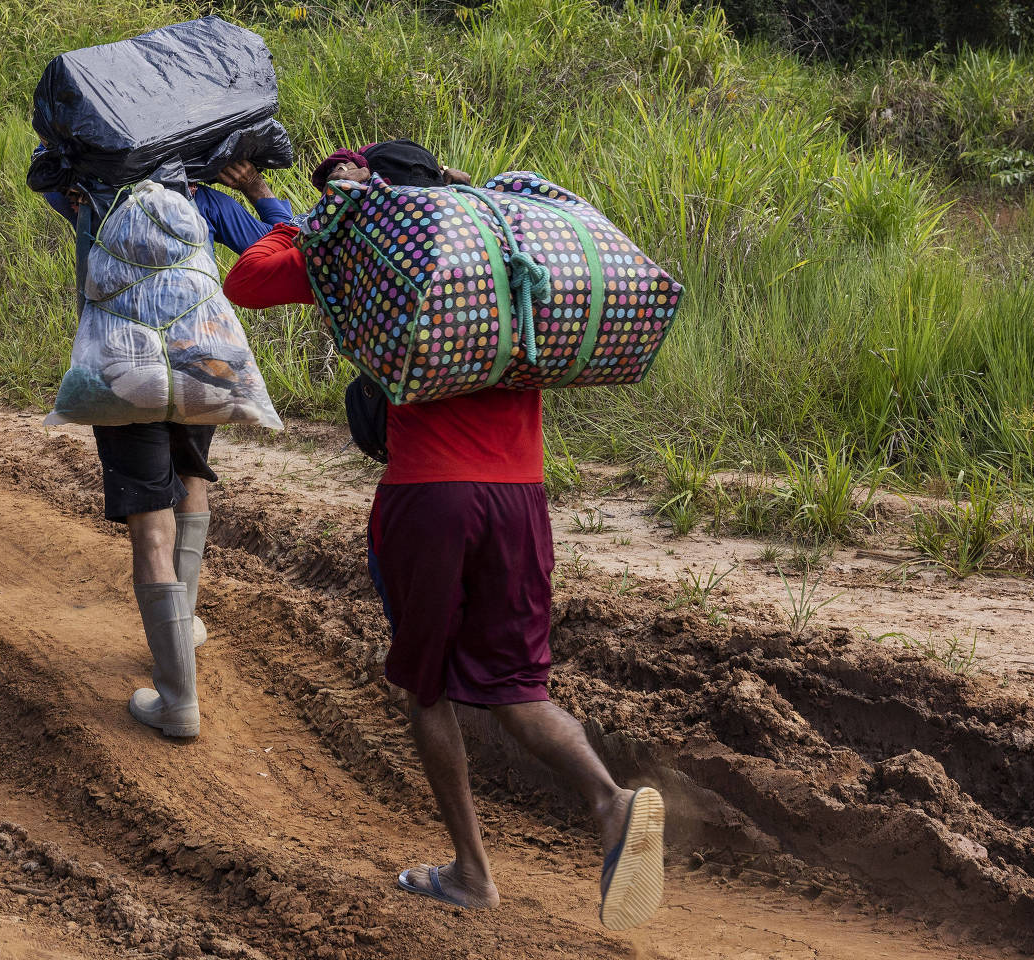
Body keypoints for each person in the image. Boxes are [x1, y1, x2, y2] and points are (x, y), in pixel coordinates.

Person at [221, 140, 668, 929]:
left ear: (374, 192)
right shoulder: (499, 241)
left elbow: (247, 279)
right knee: (518, 690)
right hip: (522, 496)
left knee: (423, 687)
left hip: (429, 497)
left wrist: (299, 216)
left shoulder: (372, 251)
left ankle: (472, 872)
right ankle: (611, 800)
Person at [40, 160, 291, 738]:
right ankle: (188, 622)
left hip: (121, 371)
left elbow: (46, 175)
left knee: (151, 529)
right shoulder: (202, 199)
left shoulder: (90, 194)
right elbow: (277, 243)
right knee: (192, 481)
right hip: (200, 364)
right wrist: (254, 187)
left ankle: (178, 699)